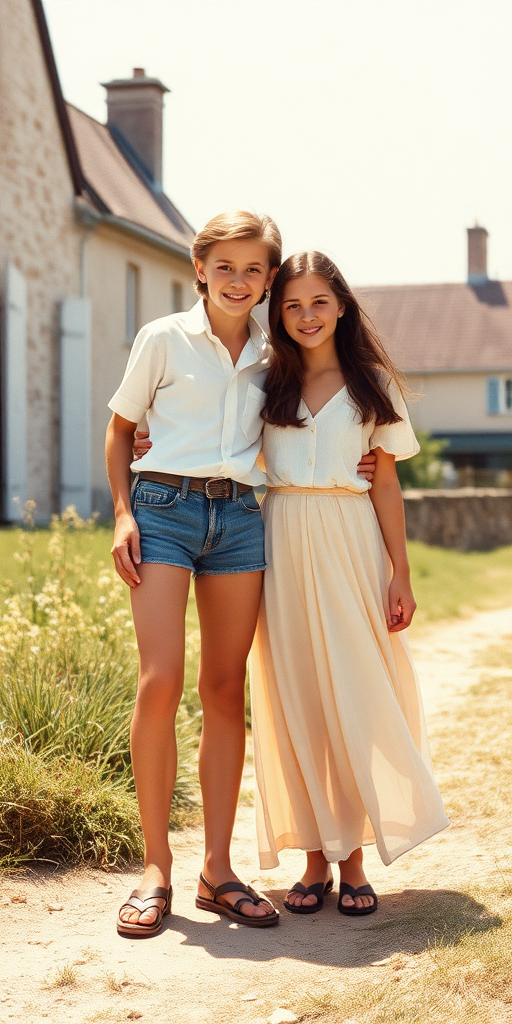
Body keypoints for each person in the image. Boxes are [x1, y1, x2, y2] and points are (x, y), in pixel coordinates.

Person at [107, 210, 379, 935]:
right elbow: (119, 429)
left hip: (239, 521)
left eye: (253, 269)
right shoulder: (163, 338)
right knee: (160, 677)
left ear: (268, 280)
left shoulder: (275, 350)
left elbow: (315, 411)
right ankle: (155, 867)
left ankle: (217, 870)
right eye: (223, 266)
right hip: (162, 508)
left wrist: (362, 453)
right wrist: (123, 514)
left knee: (226, 687)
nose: (238, 279)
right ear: (199, 268)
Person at [250, 251, 449, 916]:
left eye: (318, 302)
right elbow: (207, 439)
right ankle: (313, 857)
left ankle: (356, 857)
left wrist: (401, 571)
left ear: (341, 306)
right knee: (297, 697)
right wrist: (143, 446)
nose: (307, 316)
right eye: (292, 305)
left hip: (350, 541)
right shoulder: (261, 381)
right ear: (279, 314)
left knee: (355, 694)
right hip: (278, 543)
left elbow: (386, 483)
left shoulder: (371, 385)